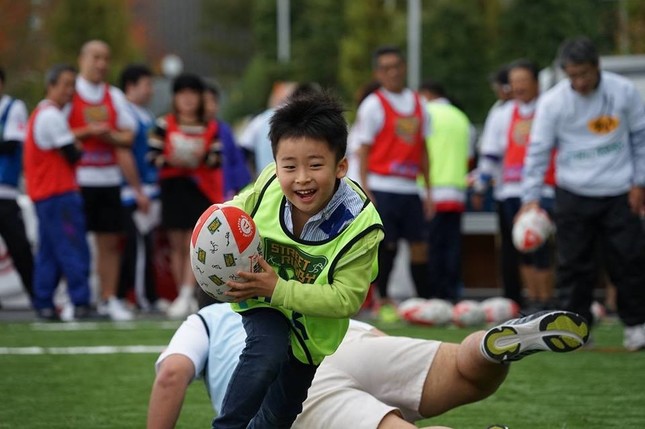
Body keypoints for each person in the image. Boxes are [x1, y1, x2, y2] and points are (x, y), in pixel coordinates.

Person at [208, 91, 384, 428]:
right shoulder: (270, 184)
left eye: (315, 165)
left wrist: (279, 287)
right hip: (261, 297)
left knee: (278, 418)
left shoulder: (362, 226)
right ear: (276, 166)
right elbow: (238, 209)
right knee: (265, 353)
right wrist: (215, 232)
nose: (301, 178)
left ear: (341, 166)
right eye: (289, 166)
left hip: (311, 331)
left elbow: (346, 298)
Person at [147, 303, 590, 429]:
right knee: (466, 373)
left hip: (295, 389)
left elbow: (171, 375)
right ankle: (491, 348)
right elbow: (369, 335)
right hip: (353, 341)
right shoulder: (288, 292)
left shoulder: (203, 320)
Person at [521, 36, 645, 351]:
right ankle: (576, 330)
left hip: (619, 191)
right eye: (572, 75)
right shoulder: (553, 102)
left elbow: (640, 139)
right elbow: (537, 150)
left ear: (596, 67)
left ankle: (636, 326)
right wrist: (530, 199)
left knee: (628, 260)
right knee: (574, 264)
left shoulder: (624, 92)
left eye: (584, 74)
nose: (579, 81)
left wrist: (639, 183)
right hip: (572, 192)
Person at [354, 45, 433, 321]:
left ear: (405, 68)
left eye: (397, 66)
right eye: (386, 68)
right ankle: (383, 299)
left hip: (410, 187)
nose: (393, 72)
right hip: (382, 185)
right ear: (378, 73)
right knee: (387, 246)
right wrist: (366, 188)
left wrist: (429, 191)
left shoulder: (419, 104)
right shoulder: (374, 105)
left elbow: (423, 149)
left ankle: (423, 302)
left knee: (420, 246)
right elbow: (362, 150)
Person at [473, 59, 557, 312]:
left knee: (544, 248)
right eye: (514, 81)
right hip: (510, 190)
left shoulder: (549, 109)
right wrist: (480, 185)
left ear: (536, 82)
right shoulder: (502, 113)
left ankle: (548, 300)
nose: (518, 86)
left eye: (524, 80)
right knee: (523, 247)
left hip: (545, 189)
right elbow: (490, 154)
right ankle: (533, 300)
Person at [67, 40, 140, 321]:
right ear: (82, 58)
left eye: (106, 58)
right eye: (96, 57)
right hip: (77, 179)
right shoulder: (70, 92)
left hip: (108, 179)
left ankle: (109, 298)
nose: (101, 64)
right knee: (74, 242)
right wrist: (89, 131)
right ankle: (76, 299)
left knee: (110, 243)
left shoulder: (114, 95)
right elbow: (59, 133)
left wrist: (106, 135)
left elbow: (128, 136)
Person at [148, 73, 224, 319]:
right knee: (176, 243)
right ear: (175, 97)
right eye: (183, 94)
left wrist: (198, 156)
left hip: (198, 189)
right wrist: (171, 159)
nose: (188, 99)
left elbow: (217, 159)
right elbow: (151, 156)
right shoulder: (163, 124)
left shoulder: (210, 127)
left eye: (193, 94)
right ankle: (182, 293)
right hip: (172, 188)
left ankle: (188, 292)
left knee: (194, 242)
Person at [23, 64, 93, 321]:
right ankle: (81, 301)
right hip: (58, 193)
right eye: (65, 84)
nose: (70, 90)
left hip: (44, 194)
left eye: (73, 85)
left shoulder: (41, 114)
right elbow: (73, 153)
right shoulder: (51, 116)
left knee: (49, 251)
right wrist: (79, 141)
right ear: (50, 85)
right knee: (72, 248)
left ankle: (44, 302)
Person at [418, 80, 472, 302]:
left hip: (430, 191)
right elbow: (469, 157)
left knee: (431, 246)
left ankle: (434, 297)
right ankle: (451, 295)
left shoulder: (425, 113)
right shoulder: (462, 118)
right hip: (456, 192)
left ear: (427, 93)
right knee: (452, 247)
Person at [117, 64, 161, 312]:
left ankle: (128, 294)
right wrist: (137, 189)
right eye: (147, 85)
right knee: (139, 246)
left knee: (144, 245)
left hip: (148, 188)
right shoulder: (125, 113)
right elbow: (124, 153)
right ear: (131, 86)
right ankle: (144, 298)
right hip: (133, 192)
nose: (151, 90)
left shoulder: (145, 114)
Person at [0, 67, 34, 305]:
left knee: (19, 246)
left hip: (6, 191)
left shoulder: (14, 108)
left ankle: (38, 297)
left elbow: (12, 145)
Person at [238, 81, 297, 178]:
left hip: (265, 179)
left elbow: (243, 148)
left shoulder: (260, 119)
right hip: (292, 177)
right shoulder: (301, 120)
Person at [203, 84, 251, 200]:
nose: (209, 107)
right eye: (205, 102)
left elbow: (237, 162)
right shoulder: (193, 132)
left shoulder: (224, 130)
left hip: (225, 194)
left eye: (213, 101)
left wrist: (236, 190)